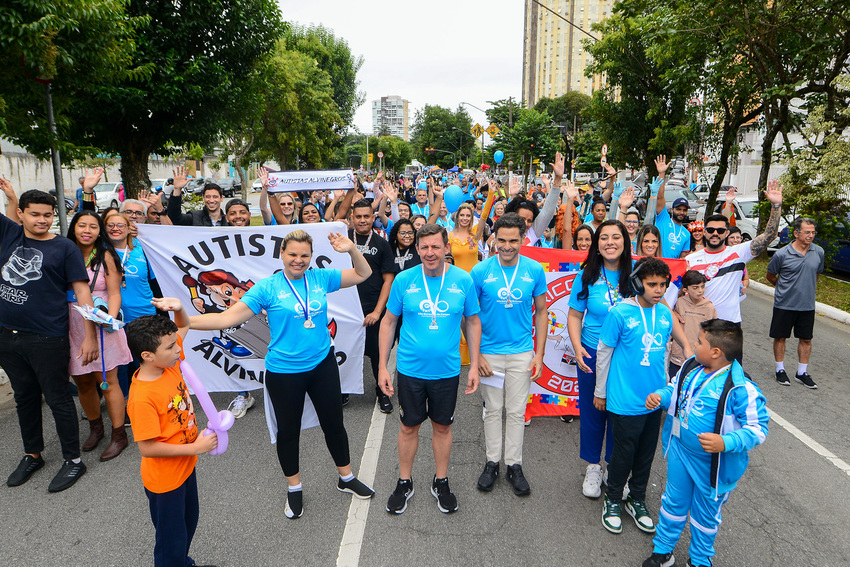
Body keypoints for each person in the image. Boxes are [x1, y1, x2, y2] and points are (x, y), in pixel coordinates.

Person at [184, 229, 375, 519]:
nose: (298, 260)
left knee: (335, 424)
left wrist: (350, 249)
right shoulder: (268, 287)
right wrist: (183, 321)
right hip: (285, 372)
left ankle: (346, 478)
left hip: (322, 364)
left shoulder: (320, 278)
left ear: (311, 257)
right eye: (293, 254)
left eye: (304, 255)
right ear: (282, 254)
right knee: (288, 432)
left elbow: (363, 273)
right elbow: (226, 318)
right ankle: (294, 487)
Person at [642, 319, 769, 567]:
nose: (693, 344)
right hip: (680, 450)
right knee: (672, 503)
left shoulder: (742, 388)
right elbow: (674, 390)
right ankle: (663, 550)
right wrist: (661, 396)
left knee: (705, 516)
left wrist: (726, 441)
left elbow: (758, 429)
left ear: (715, 352)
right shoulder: (691, 366)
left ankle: (699, 559)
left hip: (713, 466)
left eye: (699, 341)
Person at [0, 182, 98, 492]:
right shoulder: (10, 235)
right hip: (7, 335)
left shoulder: (64, 248)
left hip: (48, 337)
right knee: (25, 397)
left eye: (48, 215)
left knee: (57, 399)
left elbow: (82, 291)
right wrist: (10, 196)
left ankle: (73, 461)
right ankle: (33, 454)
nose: (42, 220)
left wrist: (90, 335)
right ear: (21, 214)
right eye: (35, 215)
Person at [377, 223, 482, 515]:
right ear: (417, 249)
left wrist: (474, 364)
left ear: (447, 247)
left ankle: (441, 480)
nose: (430, 252)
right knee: (409, 426)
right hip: (410, 370)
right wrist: (383, 368)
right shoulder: (404, 280)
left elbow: (472, 321)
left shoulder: (463, 280)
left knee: (442, 426)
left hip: (447, 372)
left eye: (435, 246)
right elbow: (388, 322)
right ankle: (404, 480)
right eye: (424, 247)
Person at [125, 312, 219, 567]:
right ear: (147, 356)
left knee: (188, 525)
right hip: (165, 482)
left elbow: (184, 325)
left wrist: (178, 308)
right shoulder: (142, 397)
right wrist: (196, 448)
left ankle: (183, 563)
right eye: (171, 346)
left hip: (185, 469)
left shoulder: (169, 364)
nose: (179, 347)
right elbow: (147, 447)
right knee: (170, 542)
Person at [595, 257, 674, 535]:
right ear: (638, 283)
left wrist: (665, 390)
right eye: (652, 284)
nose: (658, 290)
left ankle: (637, 498)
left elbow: (664, 353)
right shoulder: (619, 313)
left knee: (645, 455)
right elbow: (604, 353)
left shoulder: (665, 314)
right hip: (624, 399)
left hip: (654, 400)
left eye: (663, 285)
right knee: (623, 455)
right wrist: (601, 392)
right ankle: (613, 499)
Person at [472, 213, 548, 496]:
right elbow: (470, 316)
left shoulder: (534, 270)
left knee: (516, 412)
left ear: (522, 239)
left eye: (513, 241)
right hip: (489, 354)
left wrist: (539, 355)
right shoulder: (480, 272)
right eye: (501, 240)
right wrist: (476, 354)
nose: (506, 246)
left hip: (521, 353)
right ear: (494, 239)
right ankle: (492, 462)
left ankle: (514, 465)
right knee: (492, 411)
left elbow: (541, 312)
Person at [567, 220, 633, 499]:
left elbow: (661, 308)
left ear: (625, 242)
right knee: (593, 413)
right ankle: (593, 467)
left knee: (622, 415)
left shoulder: (637, 274)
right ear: (596, 244)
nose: (609, 242)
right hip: (592, 353)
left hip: (627, 356)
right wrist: (577, 346)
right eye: (603, 237)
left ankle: (615, 468)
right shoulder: (586, 276)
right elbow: (573, 315)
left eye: (615, 237)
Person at [66, 211, 133, 461]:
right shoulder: (65, 253)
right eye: (82, 225)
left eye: (93, 226)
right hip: (70, 324)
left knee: (107, 380)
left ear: (99, 231)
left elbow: (114, 293)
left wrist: (108, 320)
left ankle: (119, 435)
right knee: (83, 381)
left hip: (102, 324)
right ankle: (96, 428)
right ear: (73, 228)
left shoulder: (106, 255)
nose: (87, 230)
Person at [687, 179, 784, 325]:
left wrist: (776, 206)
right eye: (711, 230)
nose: (715, 233)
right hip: (700, 324)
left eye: (720, 231)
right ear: (704, 232)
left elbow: (769, 236)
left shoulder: (738, 253)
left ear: (726, 233)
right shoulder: (691, 259)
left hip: (729, 325)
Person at [349, 198, 396, 413]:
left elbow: (388, 280)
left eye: (366, 216)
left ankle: (382, 392)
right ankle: (343, 391)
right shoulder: (343, 241)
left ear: (373, 217)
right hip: (347, 312)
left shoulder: (381, 244)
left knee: (378, 354)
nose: (362, 220)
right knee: (345, 351)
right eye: (358, 216)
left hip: (373, 309)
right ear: (352, 218)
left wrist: (377, 311)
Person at [766, 217, 824, 389]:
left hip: (807, 305)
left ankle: (801, 372)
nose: (811, 235)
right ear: (796, 233)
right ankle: (780, 370)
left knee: (806, 339)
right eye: (807, 232)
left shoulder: (819, 252)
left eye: (813, 232)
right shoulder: (782, 254)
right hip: (784, 304)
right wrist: (784, 288)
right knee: (780, 337)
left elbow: (816, 273)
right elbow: (770, 275)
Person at [669, 270, 717, 378]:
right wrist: (668, 342)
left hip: (699, 356)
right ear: (686, 289)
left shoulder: (709, 307)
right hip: (678, 354)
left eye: (702, 286)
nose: (700, 290)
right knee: (674, 384)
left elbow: (714, 332)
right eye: (695, 288)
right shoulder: (679, 303)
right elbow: (672, 324)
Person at [653, 156, 692, 258]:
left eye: (684, 210)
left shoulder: (686, 234)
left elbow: (682, 259)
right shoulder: (663, 219)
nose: (681, 212)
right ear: (672, 209)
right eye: (679, 209)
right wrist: (661, 173)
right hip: (655, 266)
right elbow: (660, 196)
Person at [726, 226, 750, 296]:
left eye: (738, 237)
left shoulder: (742, 256)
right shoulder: (722, 255)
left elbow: (746, 279)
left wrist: (744, 286)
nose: (735, 240)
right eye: (732, 237)